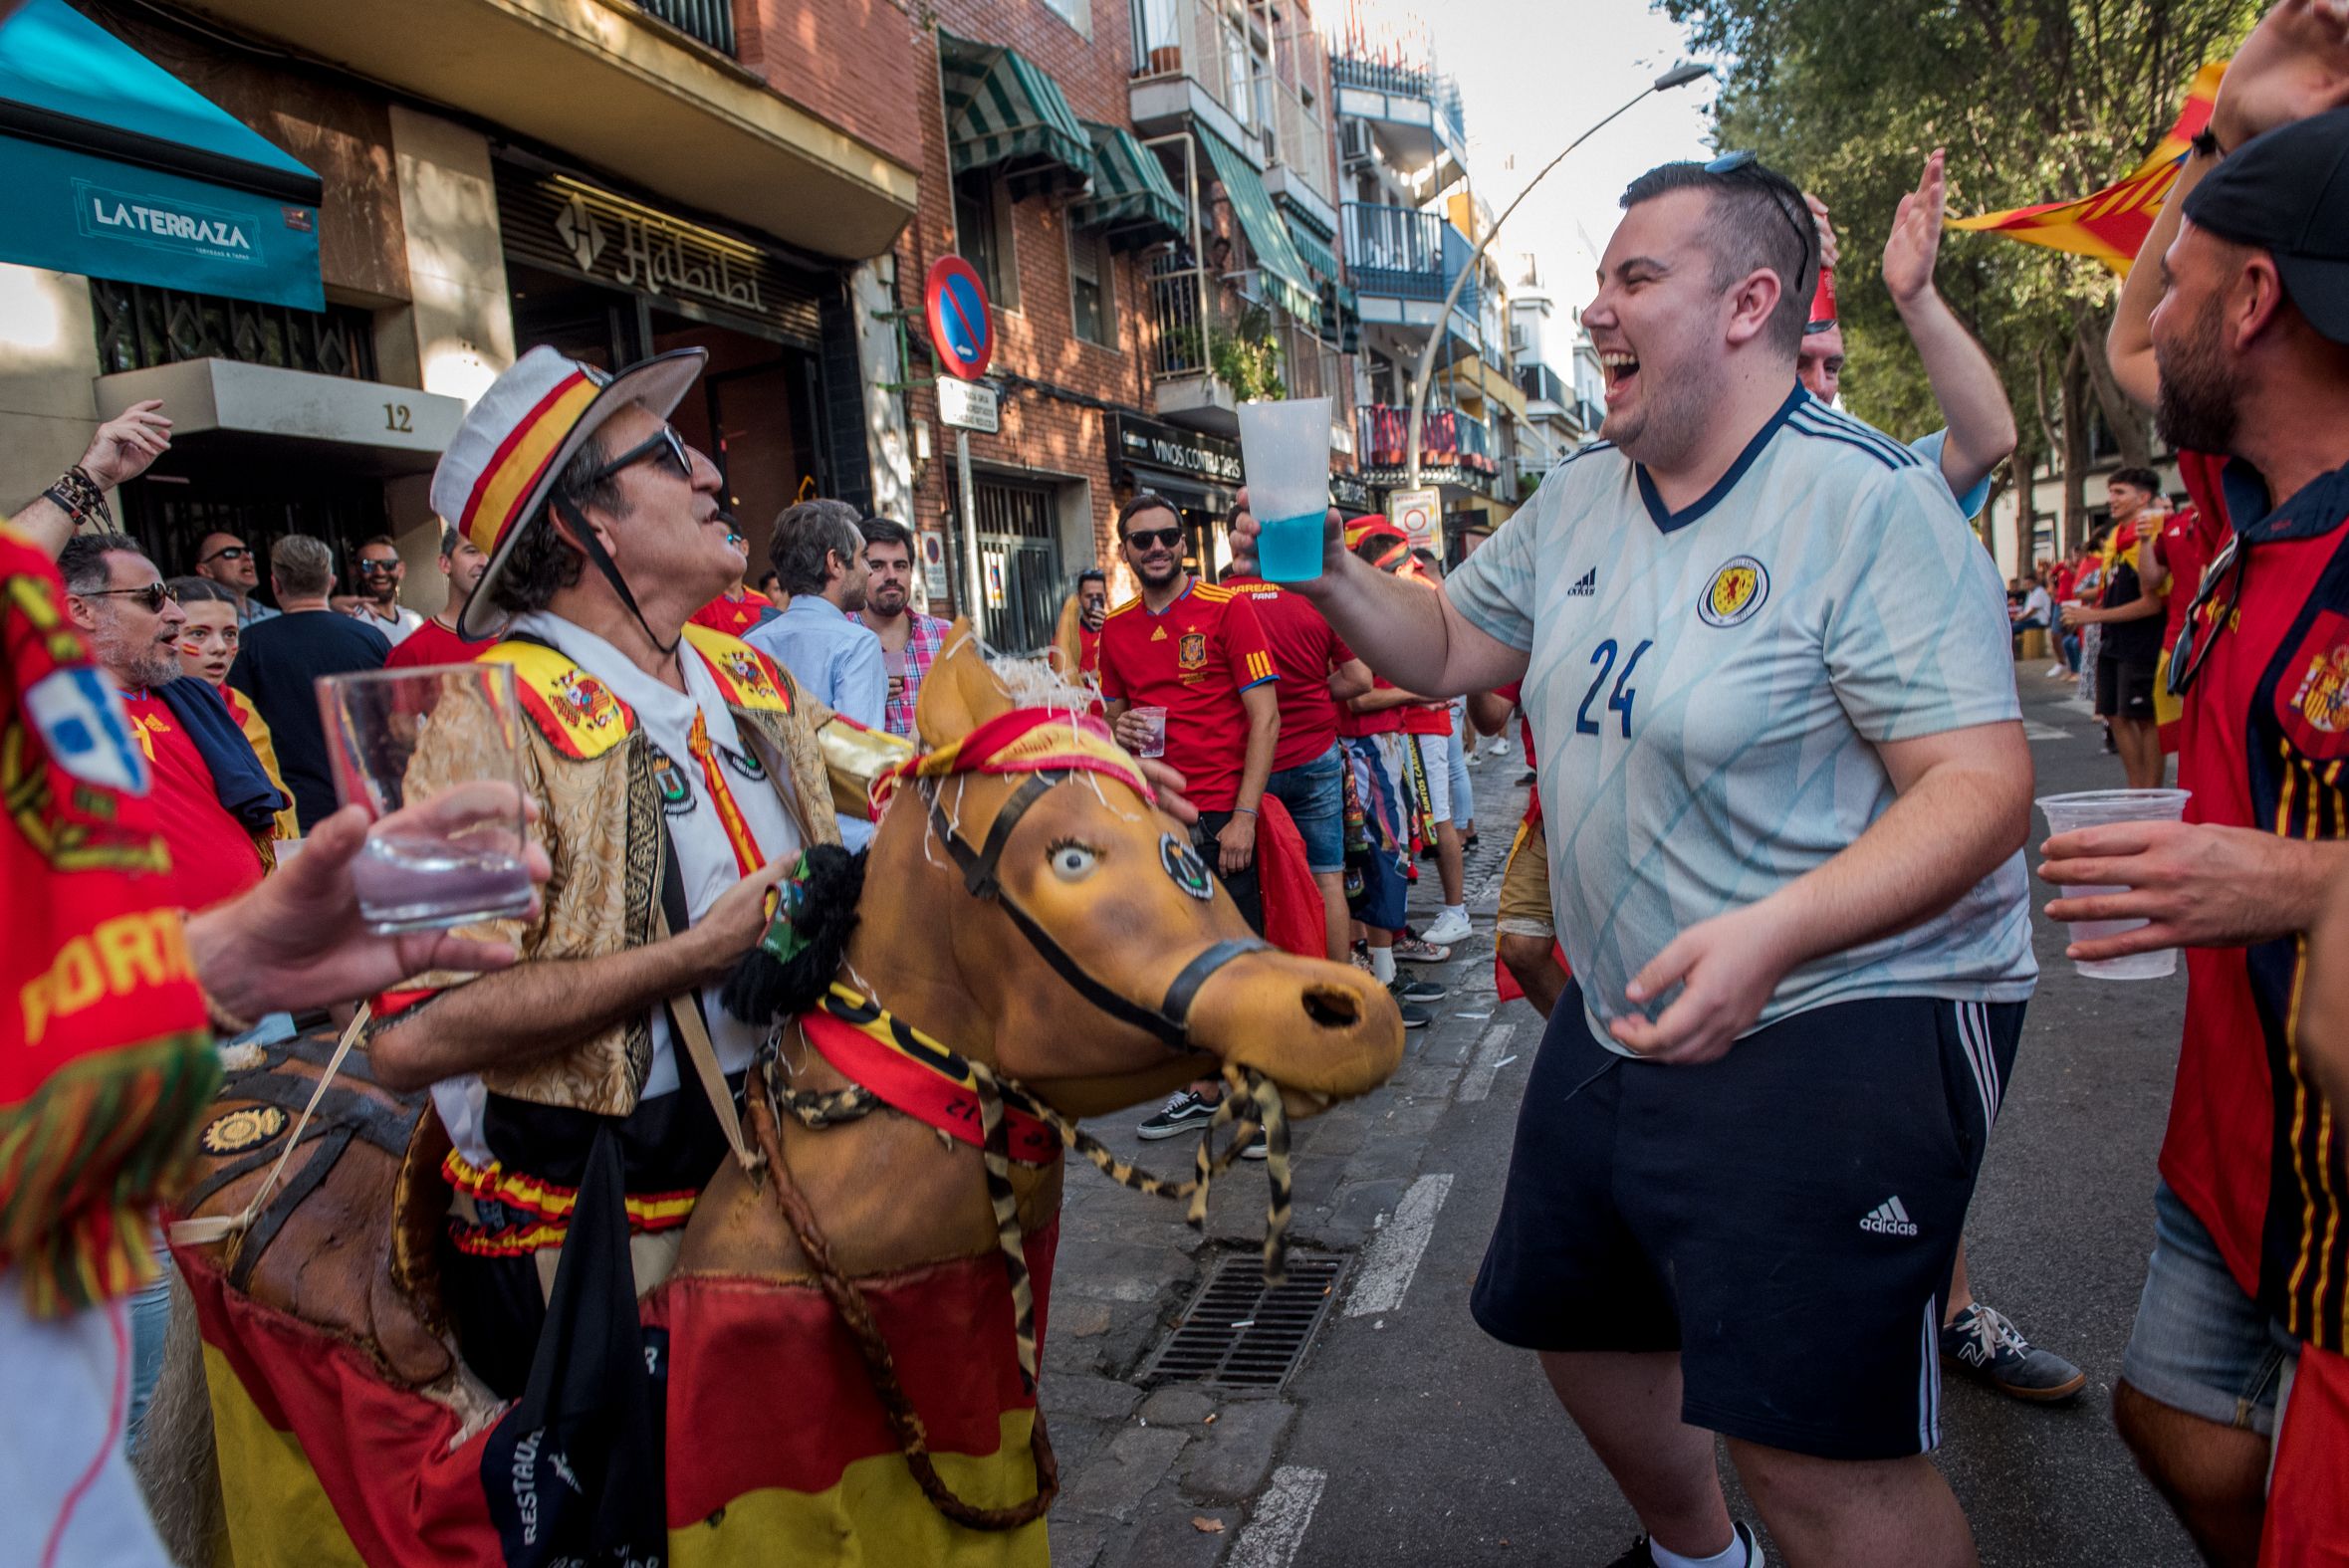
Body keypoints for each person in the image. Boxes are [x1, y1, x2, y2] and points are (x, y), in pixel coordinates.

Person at [1243, 152, 2036, 1568]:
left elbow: (1978, 788)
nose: (1593, 313)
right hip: (1632, 994)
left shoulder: (1865, 502)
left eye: (1630, 280)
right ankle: (1696, 1554)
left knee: (1814, 1456)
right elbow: (1443, 649)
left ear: (1746, 305)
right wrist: (1323, 574)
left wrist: (1774, 930)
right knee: (1580, 1314)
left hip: (1844, 1000)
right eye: (1598, 282)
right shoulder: (1576, 496)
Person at [359, 345, 907, 1563]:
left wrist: (1061, 763)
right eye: (663, 454)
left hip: (782, 1178)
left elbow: (900, 777)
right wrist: (685, 958)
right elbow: (409, 1039)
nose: (711, 468)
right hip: (604, 1243)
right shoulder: (480, 713)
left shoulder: (738, 668)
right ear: (580, 520)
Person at [4, 448, 547, 1565]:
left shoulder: (187, 709)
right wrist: (88, 474)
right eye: (155, 600)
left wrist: (222, 964)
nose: (187, 620)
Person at [2089, 32, 2349, 1558]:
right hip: (2227, 1141)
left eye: (2183, 275)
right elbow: (2140, 345)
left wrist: (2307, 879)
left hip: (2332, 1164)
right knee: (2170, 1417)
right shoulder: (2240, 495)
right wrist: (2229, 109)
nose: (2148, 306)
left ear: (2255, 304)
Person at [1808, 150, 2086, 1405]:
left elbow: (1990, 433)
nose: (1818, 390)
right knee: (1837, 1213)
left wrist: (1913, 296)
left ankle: (1951, 1314)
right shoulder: (1703, 520)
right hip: (1810, 938)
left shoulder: (1897, 487)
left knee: (1926, 1176)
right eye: (1796, 361)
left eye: (1829, 366)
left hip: (1952, 937)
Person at [1100, 492, 1280, 1139]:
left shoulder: (1227, 610)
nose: (1155, 548)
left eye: (1166, 536)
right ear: (1125, 550)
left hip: (1221, 817)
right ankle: (1203, 1086)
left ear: (1184, 542)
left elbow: (1266, 716)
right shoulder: (1114, 630)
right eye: (1141, 539)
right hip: (1155, 822)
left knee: (1238, 962)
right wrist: (1120, 728)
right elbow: (1112, 720)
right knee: (1173, 963)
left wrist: (1244, 816)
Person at [58, 535, 280, 916]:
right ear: (81, 610)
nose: (177, 614)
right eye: (153, 598)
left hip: (247, 941)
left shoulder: (194, 700)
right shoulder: (46, 711)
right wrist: (83, 483)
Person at [1222, 532, 1374, 964]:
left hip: (1249, 764)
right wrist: (1312, 691)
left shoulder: (1219, 600)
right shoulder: (1313, 596)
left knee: (1258, 881)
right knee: (1328, 878)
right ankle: (1342, 993)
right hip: (1314, 755)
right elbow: (1359, 679)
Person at [746, 498, 885, 846]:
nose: (869, 570)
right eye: (863, 557)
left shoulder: (747, 646)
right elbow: (856, 771)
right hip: (835, 848)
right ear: (835, 563)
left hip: (765, 841)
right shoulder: (857, 645)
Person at [228, 536, 389, 830]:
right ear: (331, 581)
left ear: (275, 584)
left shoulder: (249, 645)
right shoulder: (371, 638)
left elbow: (237, 729)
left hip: (294, 808)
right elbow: (396, 718)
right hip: (369, 802)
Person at [2060, 468, 2170, 787]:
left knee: (2145, 717)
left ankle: (2150, 793)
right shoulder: (2115, 538)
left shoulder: (2149, 536)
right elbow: (2114, 587)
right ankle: (2137, 789)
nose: (2112, 499)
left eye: (2120, 492)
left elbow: (2152, 602)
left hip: (2143, 640)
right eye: (2111, 492)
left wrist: (2092, 617)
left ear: (2144, 497)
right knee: (2114, 713)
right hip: (2114, 639)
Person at [169, 576, 298, 843]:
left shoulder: (239, 704)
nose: (219, 648)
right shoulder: (150, 711)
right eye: (198, 634)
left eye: (229, 634)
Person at [853, 515, 950, 737]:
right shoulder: (840, 641)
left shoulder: (946, 637)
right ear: (857, 571)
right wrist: (867, 698)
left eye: (900, 566)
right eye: (877, 566)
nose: (891, 576)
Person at [386, 525, 496, 669]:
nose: (484, 561)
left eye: (493, 552)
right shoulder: (413, 653)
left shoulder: (519, 636)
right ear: (445, 564)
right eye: (472, 551)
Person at [688, 520, 779, 636]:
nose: (718, 549)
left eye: (727, 539)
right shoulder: (697, 606)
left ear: (744, 548)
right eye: (710, 543)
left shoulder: (764, 605)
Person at [346, 535, 424, 645]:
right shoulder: (351, 623)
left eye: (389, 565)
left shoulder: (415, 621)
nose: (380, 572)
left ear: (401, 570)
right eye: (368, 565)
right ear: (354, 571)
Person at [192, 530, 277, 627]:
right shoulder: (199, 622)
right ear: (205, 570)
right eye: (231, 552)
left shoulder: (275, 616)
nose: (247, 557)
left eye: (248, 552)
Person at [1050, 566, 1110, 697]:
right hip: (1085, 709)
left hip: (1115, 710)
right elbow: (1056, 681)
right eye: (1089, 596)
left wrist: (1109, 631)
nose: (1095, 601)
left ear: (1106, 596)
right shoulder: (1068, 634)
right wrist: (1088, 676)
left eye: (1099, 596)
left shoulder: (1118, 629)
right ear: (1079, 597)